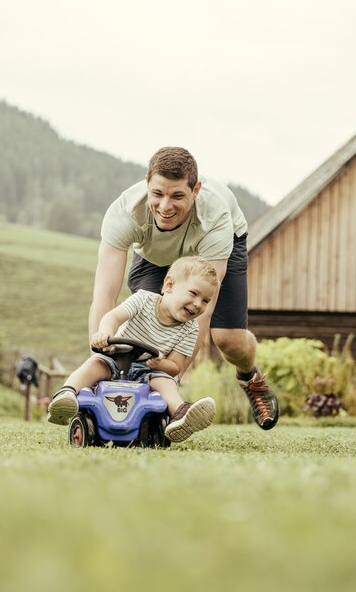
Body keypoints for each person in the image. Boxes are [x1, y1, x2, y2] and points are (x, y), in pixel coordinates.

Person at [90, 146, 279, 430]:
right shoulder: (124, 213)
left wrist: (174, 376)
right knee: (150, 325)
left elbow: (201, 311)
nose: (165, 206)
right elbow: (105, 296)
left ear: (195, 190)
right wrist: (98, 365)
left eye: (177, 195)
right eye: (158, 194)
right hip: (155, 255)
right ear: (147, 185)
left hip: (213, 249)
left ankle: (250, 376)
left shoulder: (215, 217)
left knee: (228, 340)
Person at [48, 256, 218, 443]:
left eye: (205, 301)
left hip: (149, 371)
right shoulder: (143, 299)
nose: (197, 304)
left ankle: (180, 414)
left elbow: (176, 367)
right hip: (115, 361)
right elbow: (112, 317)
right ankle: (66, 393)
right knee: (94, 365)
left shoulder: (191, 328)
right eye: (193, 293)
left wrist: (161, 363)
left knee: (166, 382)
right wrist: (105, 333)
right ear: (169, 285)